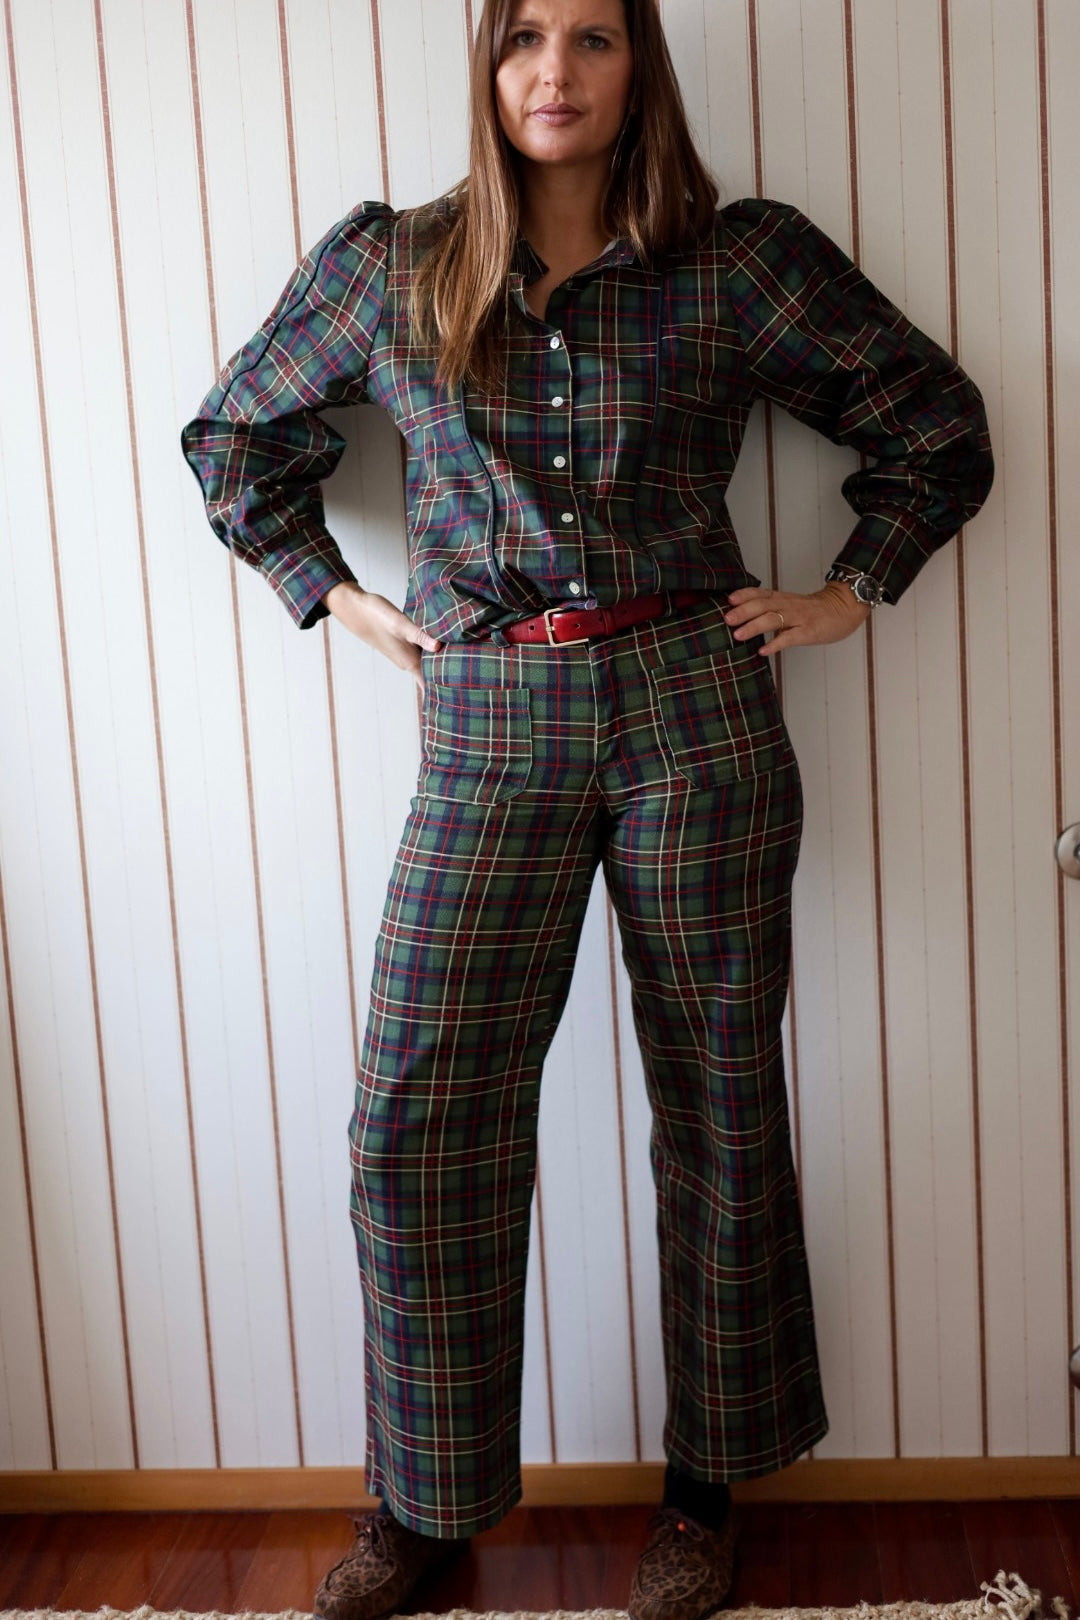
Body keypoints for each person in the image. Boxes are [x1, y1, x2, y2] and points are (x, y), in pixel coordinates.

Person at [181, 1, 993, 1617]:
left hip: (696, 703)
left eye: (596, 38)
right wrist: (335, 594)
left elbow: (935, 423)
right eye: (525, 36)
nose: (555, 72)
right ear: (487, 64)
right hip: (489, 710)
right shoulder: (395, 264)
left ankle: (705, 1494)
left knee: (719, 1099)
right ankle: (425, 1507)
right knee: (418, 1112)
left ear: (642, 67)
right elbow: (236, 437)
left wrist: (850, 591)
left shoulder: (739, 261)